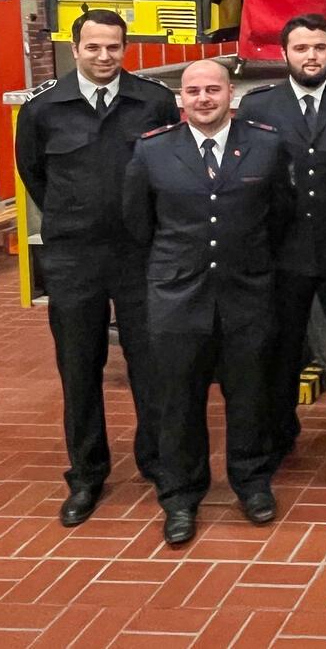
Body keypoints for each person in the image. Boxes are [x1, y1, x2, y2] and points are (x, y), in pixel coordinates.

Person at [13, 8, 177, 527]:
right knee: (79, 369)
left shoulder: (152, 102)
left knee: (150, 367)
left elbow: (170, 167)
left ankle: (157, 463)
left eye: (113, 47)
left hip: (138, 255)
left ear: (124, 48)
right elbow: (34, 173)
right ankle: (87, 474)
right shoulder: (43, 110)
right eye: (94, 48)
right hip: (74, 259)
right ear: (75, 47)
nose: (104, 57)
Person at [122, 60, 293, 546]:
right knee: (177, 400)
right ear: (181, 99)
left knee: (249, 395)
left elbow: (278, 215)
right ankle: (179, 496)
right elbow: (139, 223)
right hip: (178, 296)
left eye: (212, 89)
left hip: (246, 293)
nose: (203, 98)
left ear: (230, 93)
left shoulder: (265, 143)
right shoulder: (153, 151)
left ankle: (251, 482)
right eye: (193, 91)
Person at [237, 13, 326, 466]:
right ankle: (278, 431)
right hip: (284, 250)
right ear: (284, 53)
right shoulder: (259, 107)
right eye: (301, 48)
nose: (311, 56)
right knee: (281, 348)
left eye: (319, 47)